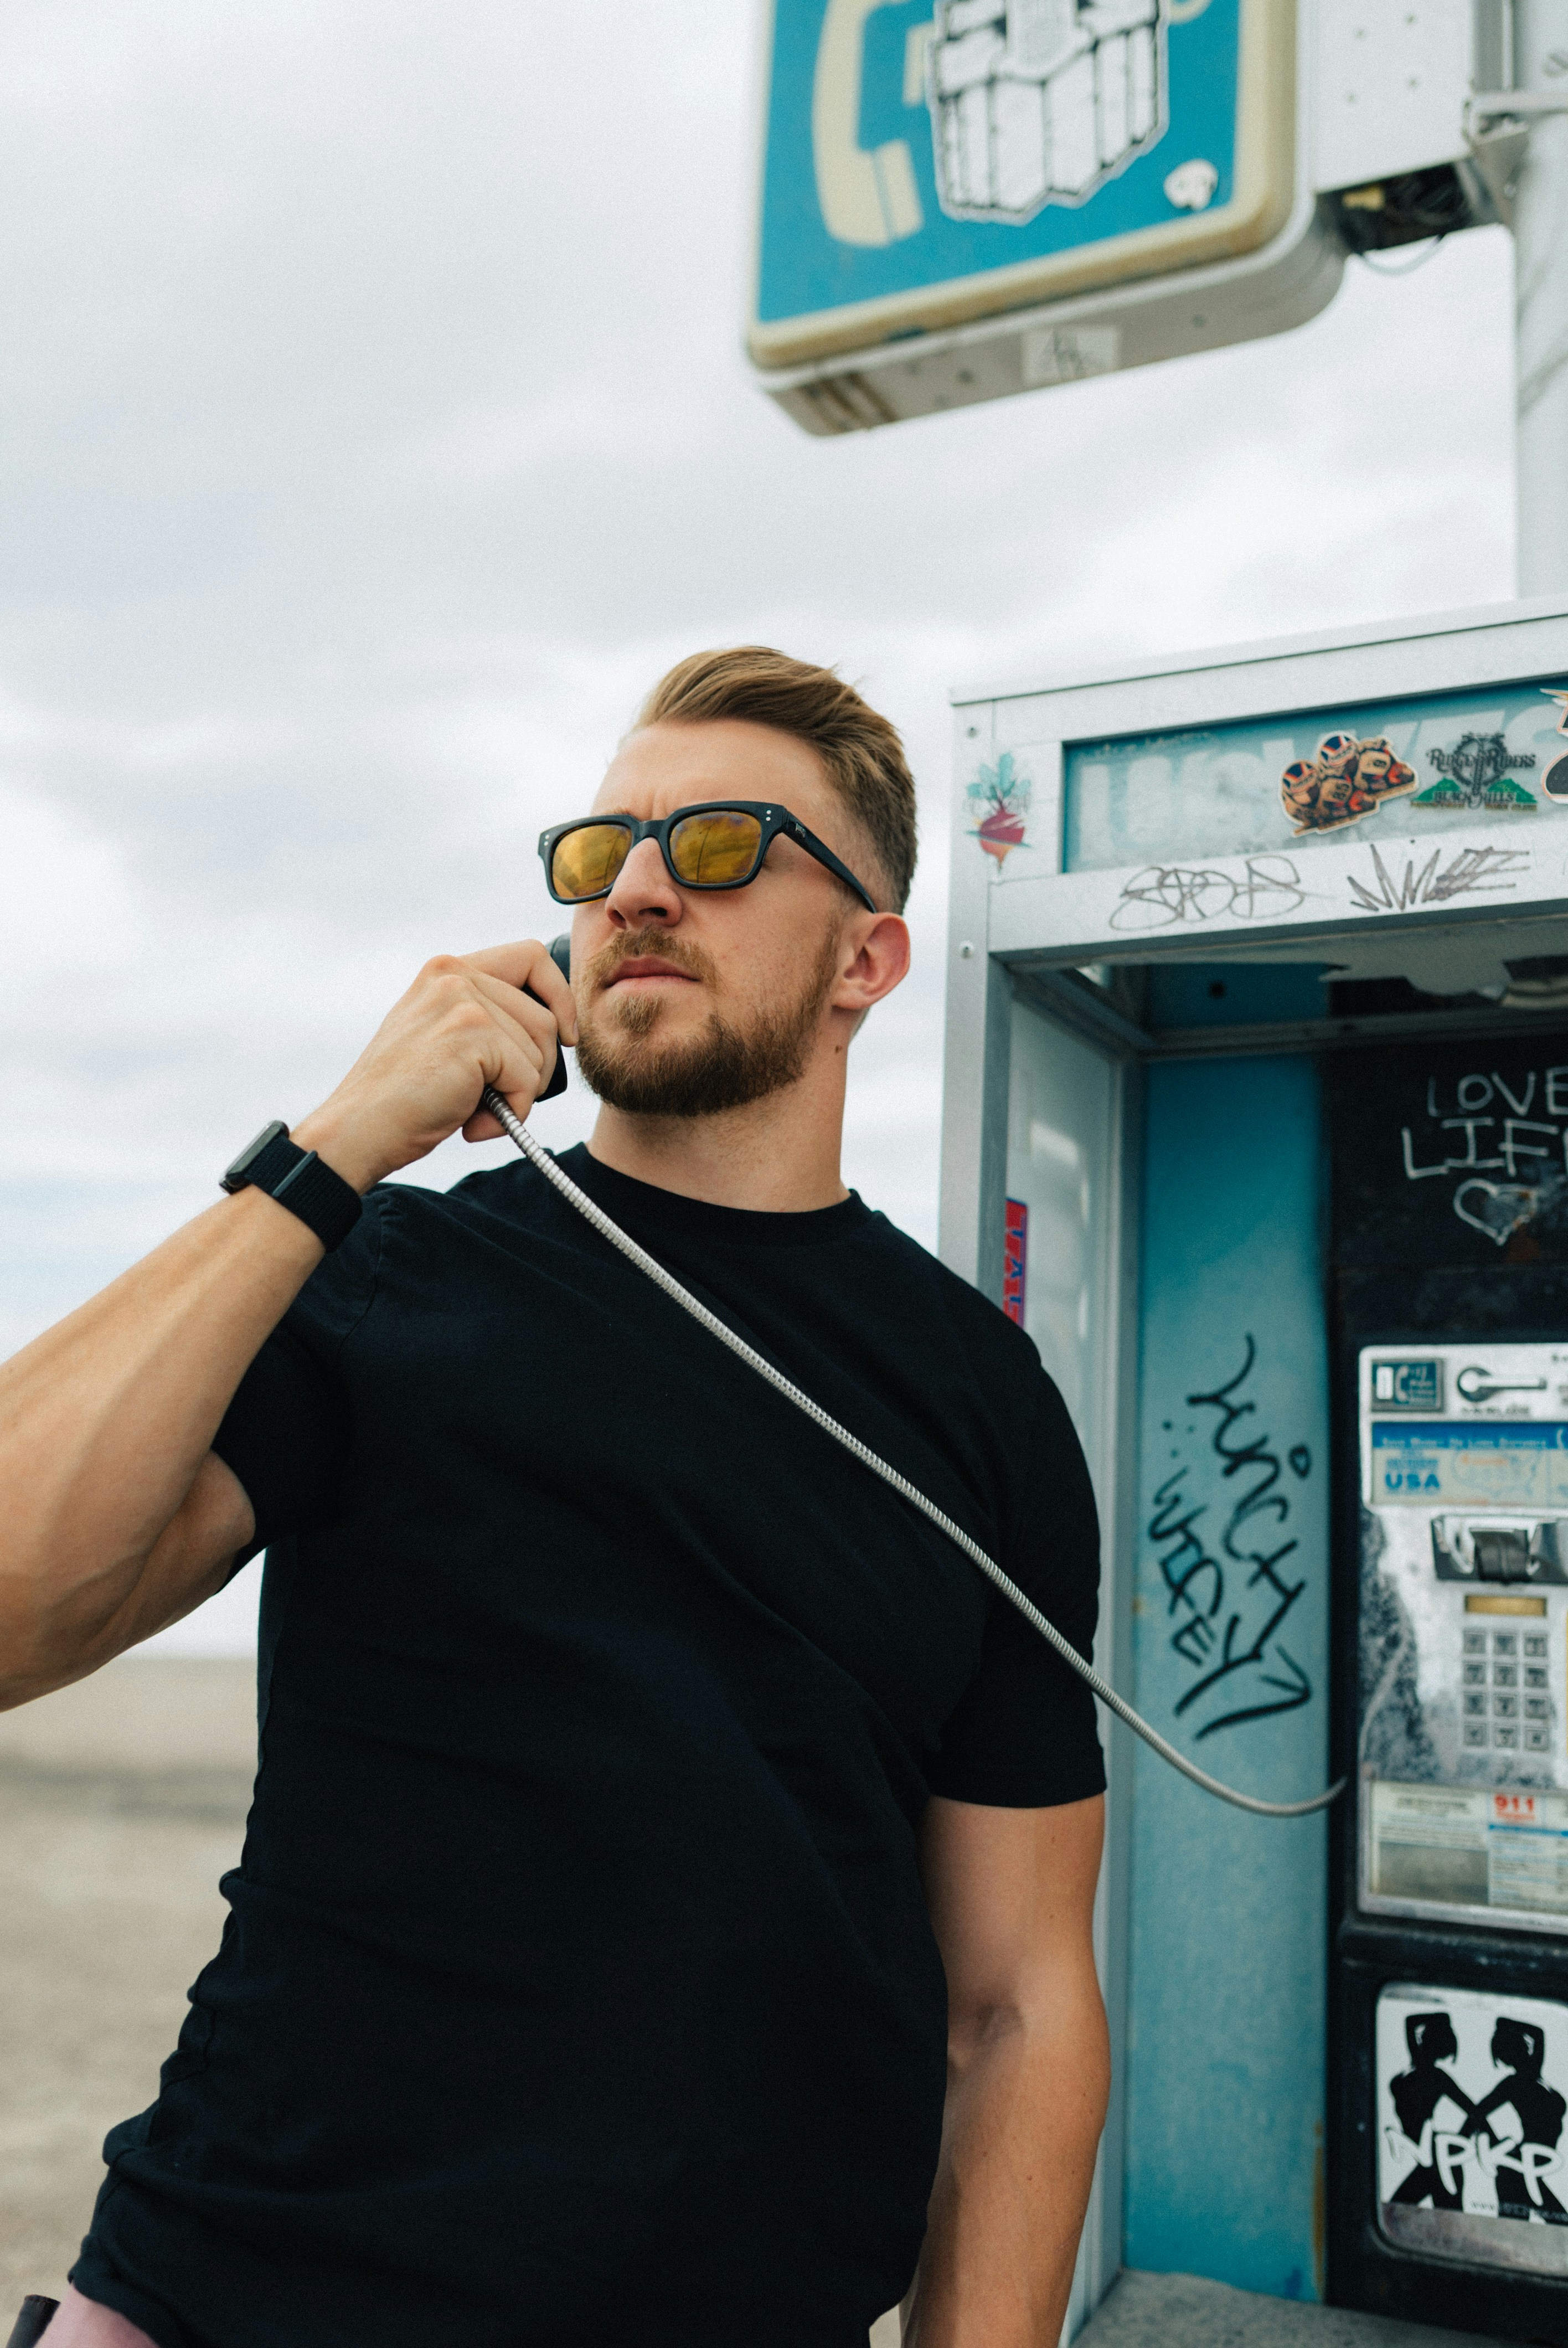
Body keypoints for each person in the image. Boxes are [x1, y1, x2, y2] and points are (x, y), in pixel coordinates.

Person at [0, 647, 1108, 2348]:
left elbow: (1018, 2005)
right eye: (602, 855)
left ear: (866, 958)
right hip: (241, 2287)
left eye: (726, 845)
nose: (645, 888)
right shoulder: (381, 1273)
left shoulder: (978, 1403)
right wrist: (335, 1146)